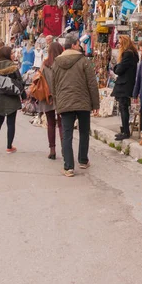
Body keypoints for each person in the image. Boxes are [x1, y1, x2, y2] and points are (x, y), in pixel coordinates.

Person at [52, 32, 99, 177]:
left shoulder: (56, 63)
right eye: (79, 44)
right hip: (83, 102)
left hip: (65, 103)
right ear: (73, 45)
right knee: (84, 132)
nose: (80, 46)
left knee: (67, 135)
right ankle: (83, 160)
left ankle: (68, 167)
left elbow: (54, 86)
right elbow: (92, 83)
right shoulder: (83, 61)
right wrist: (95, 104)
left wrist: (57, 104)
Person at [0, 46, 23, 153]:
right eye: (11, 53)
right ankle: (9, 146)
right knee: (11, 122)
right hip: (11, 97)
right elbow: (20, 82)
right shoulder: (13, 67)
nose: (13, 55)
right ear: (7, 55)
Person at [111, 35, 139, 141]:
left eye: (120, 43)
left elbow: (119, 69)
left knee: (123, 107)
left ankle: (125, 132)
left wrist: (115, 66)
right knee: (123, 107)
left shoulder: (127, 54)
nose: (118, 45)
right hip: (126, 84)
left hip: (124, 84)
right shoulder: (132, 54)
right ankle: (124, 130)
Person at [40, 41, 64, 160]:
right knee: (62, 123)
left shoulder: (45, 64)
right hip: (60, 96)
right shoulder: (62, 64)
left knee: (50, 123)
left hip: (47, 96)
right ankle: (65, 150)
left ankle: (52, 150)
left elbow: (40, 79)